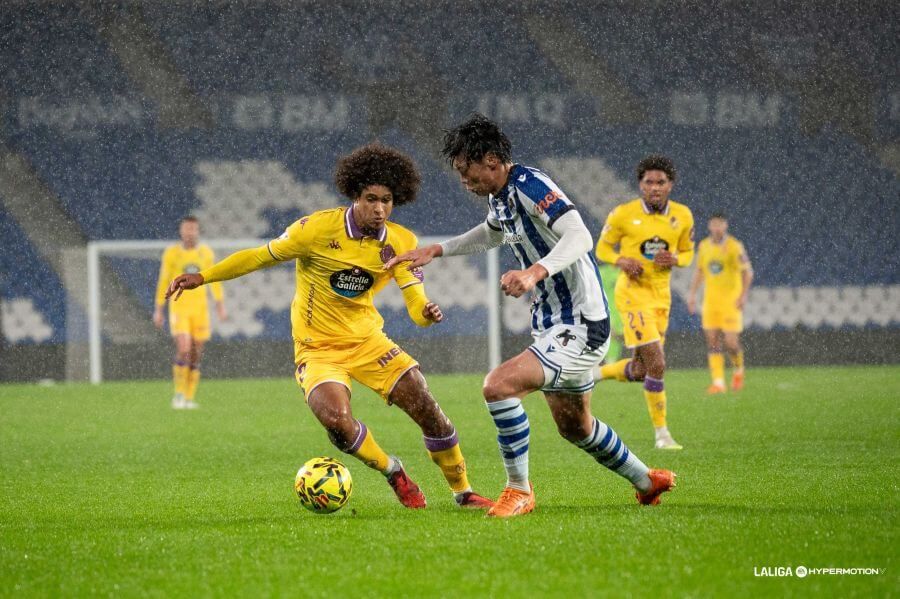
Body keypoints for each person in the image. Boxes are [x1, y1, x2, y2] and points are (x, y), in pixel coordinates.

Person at [166, 143, 492, 510]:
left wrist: (426, 314)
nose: (380, 209)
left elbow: (415, 301)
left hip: (368, 341)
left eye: (387, 200)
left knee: (429, 410)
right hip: (317, 349)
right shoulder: (316, 229)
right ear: (355, 194)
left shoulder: (402, 241)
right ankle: (393, 471)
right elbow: (259, 257)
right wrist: (203, 278)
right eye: (371, 199)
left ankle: (463, 492)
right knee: (337, 422)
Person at [384, 114, 675, 518]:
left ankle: (519, 490)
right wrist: (437, 250)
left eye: (468, 173)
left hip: (581, 321)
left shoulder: (530, 185)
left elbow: (580, 235)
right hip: (553, 321)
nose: (465, 182)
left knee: (498, 386)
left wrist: (535, 271)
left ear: (490, 160)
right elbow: (492, 232)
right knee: (576, 427)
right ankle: (647, 481)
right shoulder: (499, 197)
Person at [595, 155, 695, 450]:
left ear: (670, 185)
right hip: (632, 296)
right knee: (658, 364)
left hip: (661, 298)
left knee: (641, 370)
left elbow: (689, 253)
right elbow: (601, 248)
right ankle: (662, 435)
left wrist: (676, 258)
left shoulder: (683, 216)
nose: (654, 187)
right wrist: (620, 259)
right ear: (640, 185)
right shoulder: (623, 215)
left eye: (660, 182)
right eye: (648, 182)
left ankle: (593, 374)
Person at [154, 216, 227, 409]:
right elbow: (163, 280)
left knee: (196, 353)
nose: (189, 232)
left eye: (193, 229)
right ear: (181, 231)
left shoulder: (205, 253)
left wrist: (220, 305)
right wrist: (159, 309)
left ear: (198, 231)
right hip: (179, 309)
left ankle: (188, 397)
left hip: (200, 311)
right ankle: (178, 395)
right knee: (184, 349)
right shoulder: (172, 253)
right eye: (186, 228)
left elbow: (215, 279)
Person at [687, 212, 753, 393]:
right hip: (711, 302)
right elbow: (700, 271)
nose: (717, 227)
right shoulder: (704, 246)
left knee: (731, 343)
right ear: (709, 226)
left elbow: (748, 273)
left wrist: (743, 296)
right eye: (714, 224)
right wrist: (692, 295)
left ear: (725, 226)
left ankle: (738, 369)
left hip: (731, 302)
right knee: (713, 342)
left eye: (720, 224)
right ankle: (718, 382)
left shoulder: (735, 246)